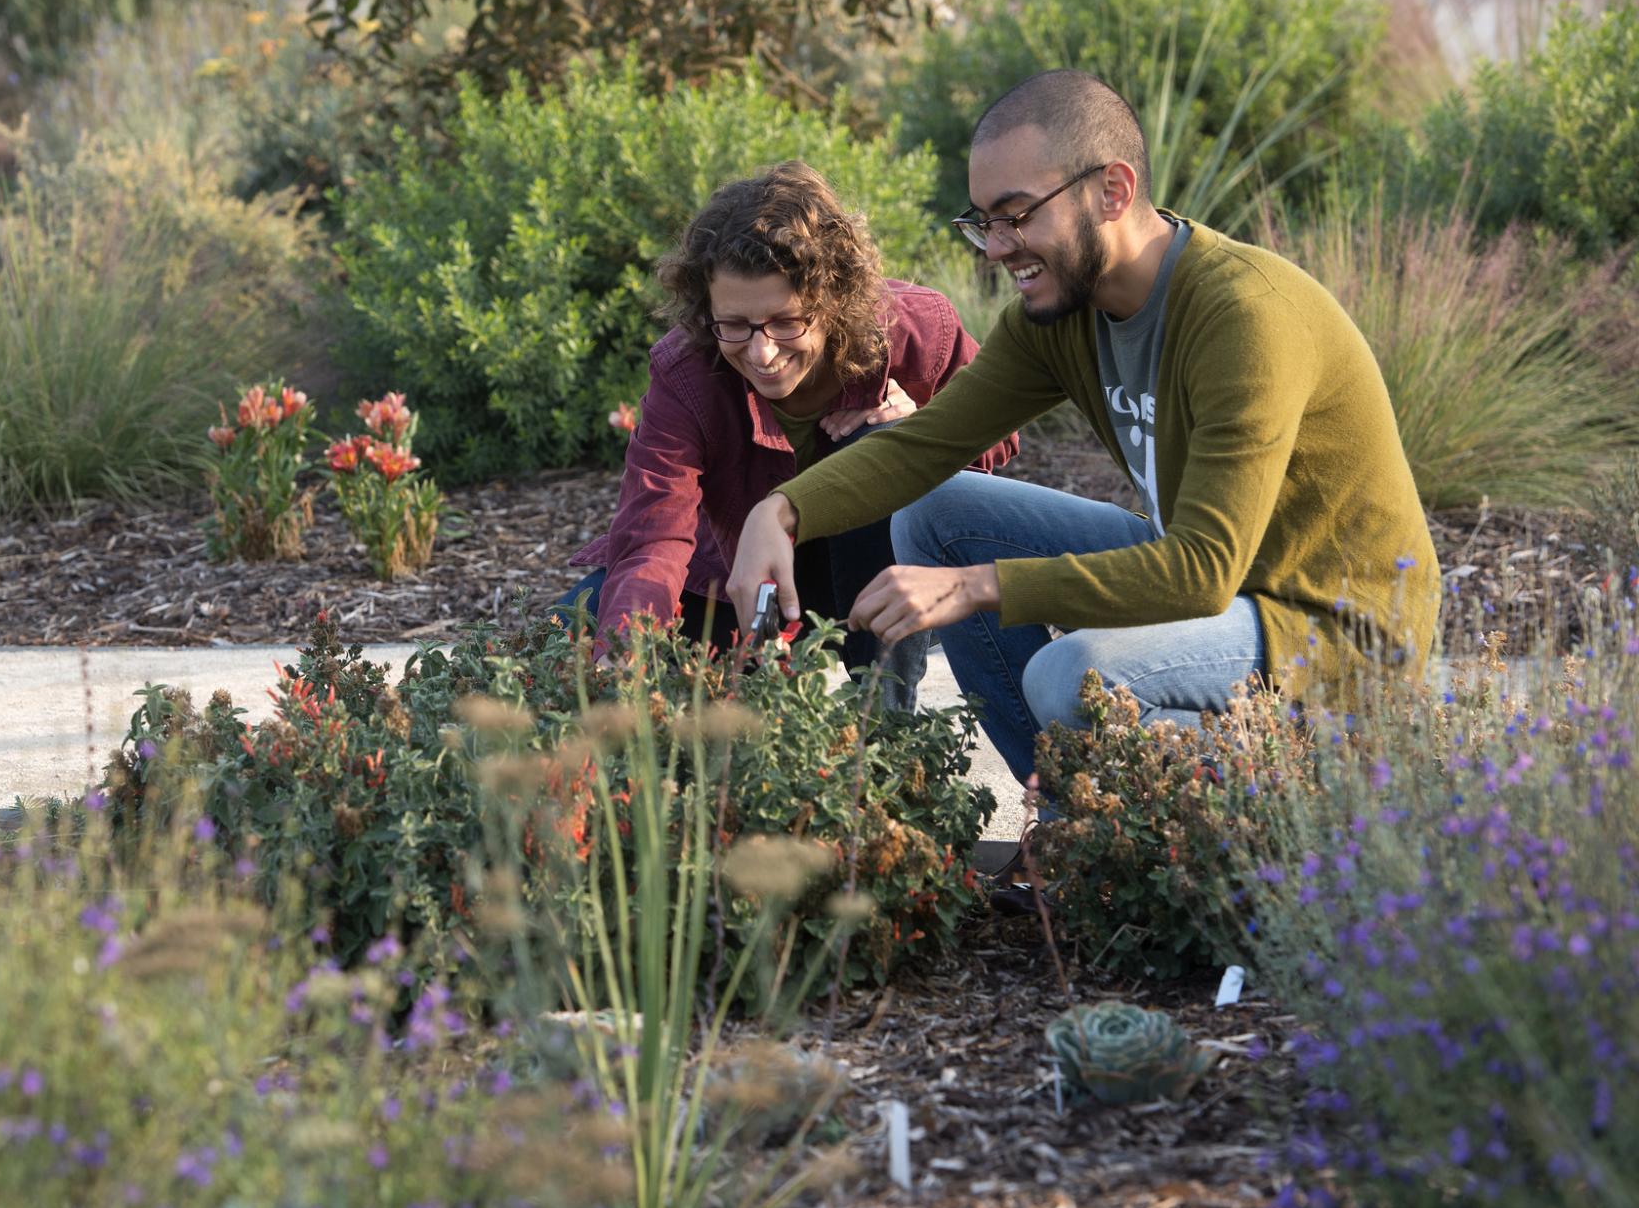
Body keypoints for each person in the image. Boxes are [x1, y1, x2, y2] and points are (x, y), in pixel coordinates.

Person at [726, 71, 1440, 783]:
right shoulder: (1060, 318)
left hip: (1330, 630)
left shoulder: (1244, 317)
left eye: (1018, 214)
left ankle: (1298, 808)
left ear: (1113, 191)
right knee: (935, 511)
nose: (999, 247)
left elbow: (1201, 572)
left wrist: (982, 586)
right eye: (984, 222)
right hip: (1227, 588)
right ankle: (1071, 838)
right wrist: (782, 511)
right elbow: (924, 445)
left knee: (1072, 675)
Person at [560, 161, 1019, 707]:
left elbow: (999, 440)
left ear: (832, 301)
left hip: (874, 581)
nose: (761, 353)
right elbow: (654, 534)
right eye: (733, 325)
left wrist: (923, 424)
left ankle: (884, 719)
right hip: (736, 578)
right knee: (577, 629)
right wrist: (624, 650)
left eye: (786, 322)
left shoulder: (916, 330)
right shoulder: (685, 373)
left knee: (881, 446)